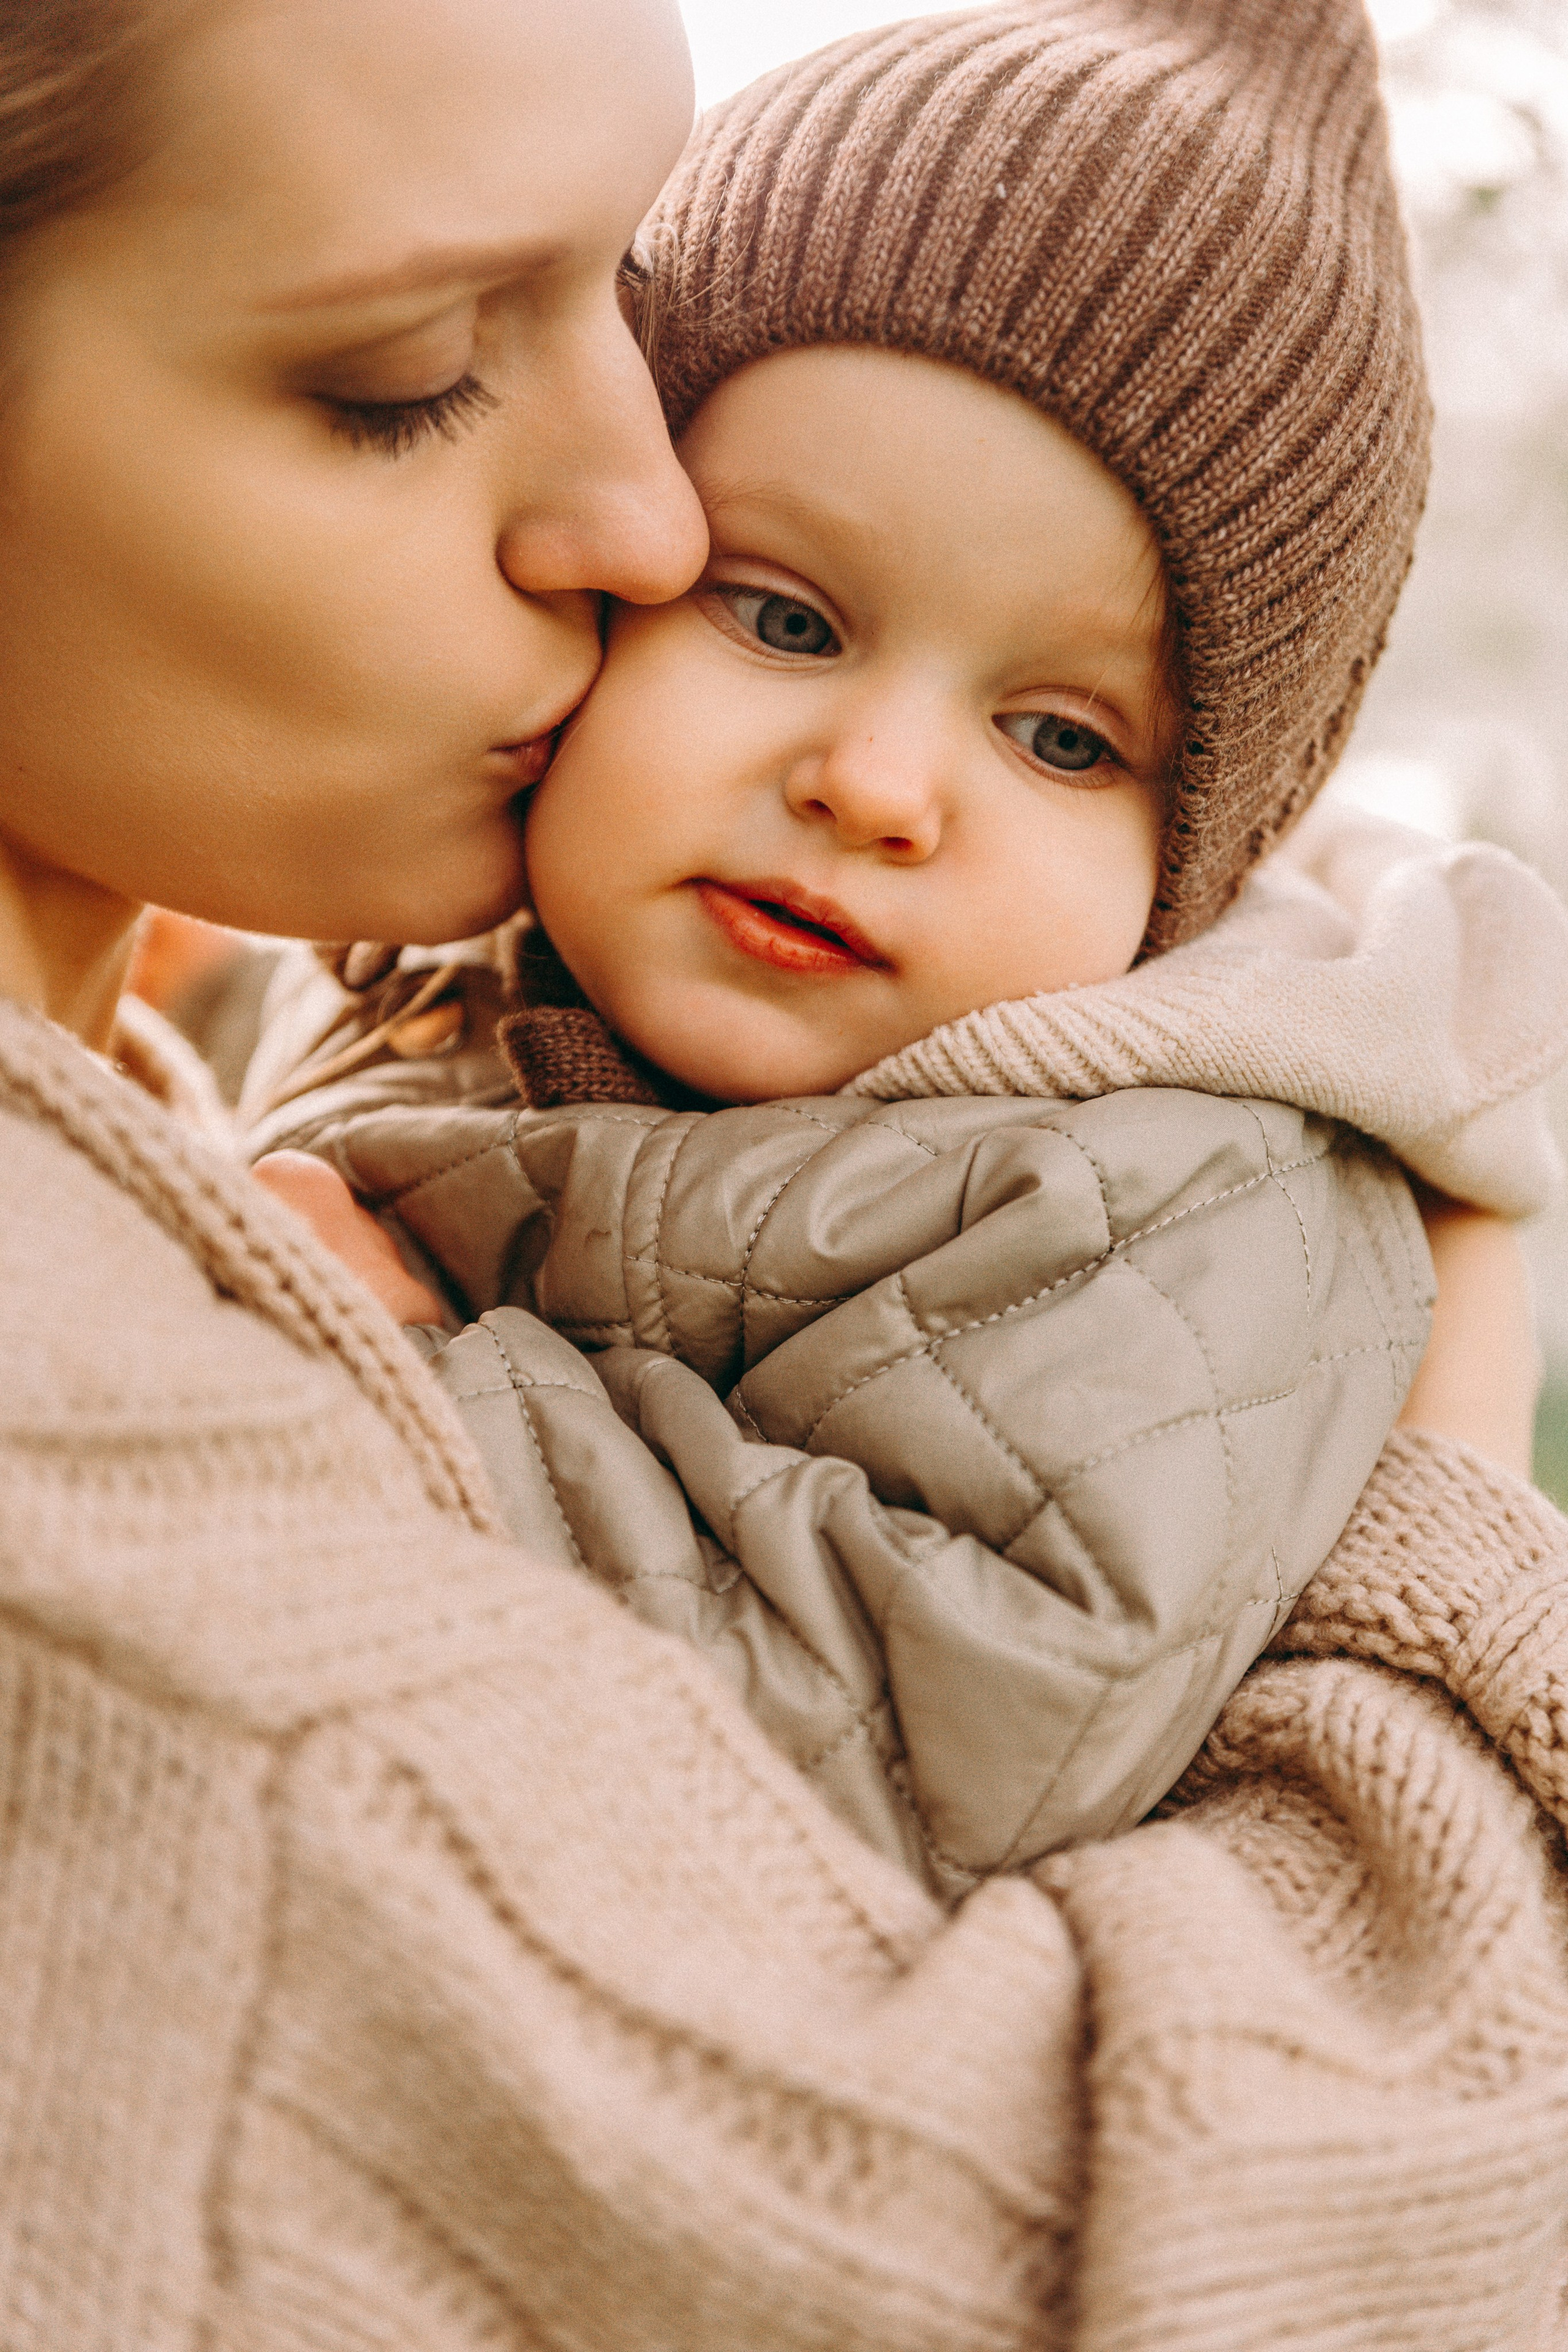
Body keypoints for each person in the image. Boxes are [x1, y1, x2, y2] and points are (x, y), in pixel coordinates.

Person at [2, 2, 1568, 2346]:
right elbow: (1135, 2259)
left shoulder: (1148, 1195)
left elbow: (970, 1685)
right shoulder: (136, 1538)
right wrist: (1460, 1479)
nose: (646, 516)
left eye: (618, 302)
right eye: (411, 371)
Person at [247, 0, 1568, 1901]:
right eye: (784, 618)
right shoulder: (461, 948)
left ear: (1194, 864)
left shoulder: (1172, 1204)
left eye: (1060, 739)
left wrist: (409, 1380)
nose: (875, 787)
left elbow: (923, 1738)